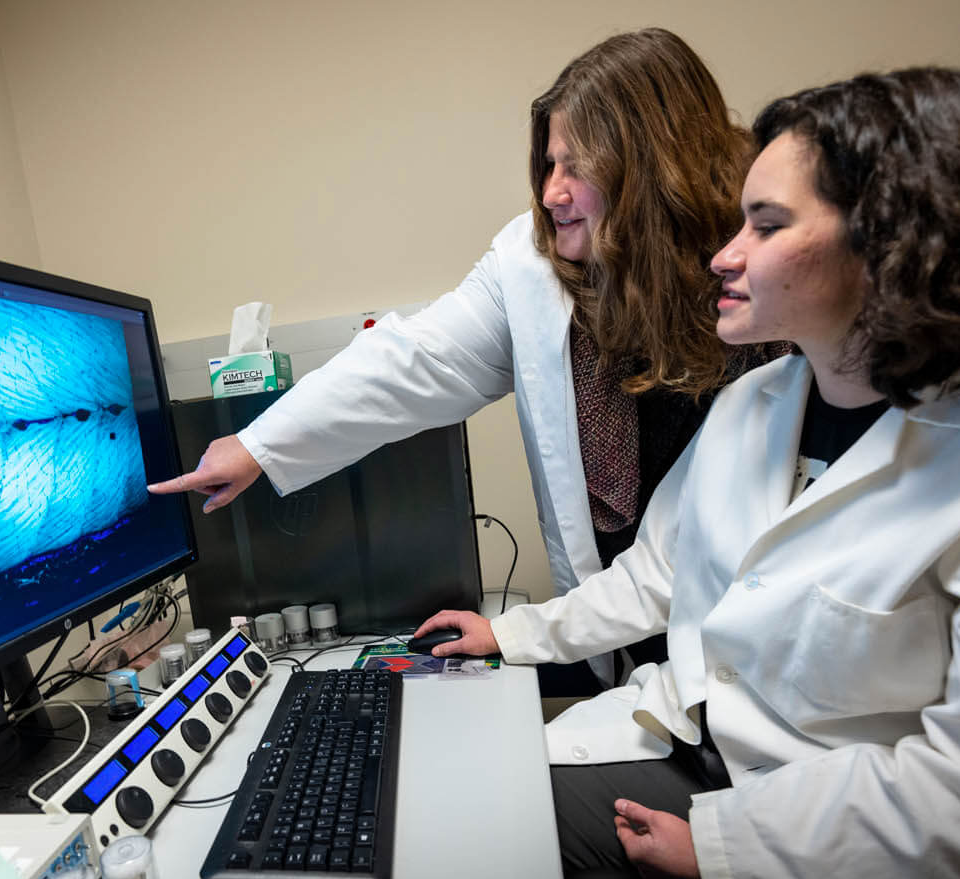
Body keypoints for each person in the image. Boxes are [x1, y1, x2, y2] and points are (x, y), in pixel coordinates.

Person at [412, 67, 960, 879]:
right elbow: (654, 575)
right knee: (446, 818)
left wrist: (730, 849)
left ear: (894, 243)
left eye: (765, 225)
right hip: (701, 751)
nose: (724, 254)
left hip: (890, 858)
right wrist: (508, 634)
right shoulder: (757, 400)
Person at [150, 28, 771, 691]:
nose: (552, 193)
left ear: (652, 166)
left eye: (579, 167)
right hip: (628, 617)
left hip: (754, 647)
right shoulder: (535, 269)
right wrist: (257, 444)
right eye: (547, 165)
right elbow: (410, 363)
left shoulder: (764, 282)